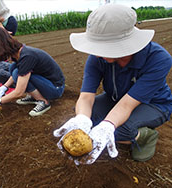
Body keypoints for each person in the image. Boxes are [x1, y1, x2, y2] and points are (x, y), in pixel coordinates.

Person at [53, 4, 172, 165]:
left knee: (117, 130)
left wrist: (108, 124)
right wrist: (82, 119)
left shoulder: (158, 59)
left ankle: (144, 136)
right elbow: (86, 97)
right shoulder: (97, 58)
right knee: (84, 115)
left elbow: (127, 105)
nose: (97, 53)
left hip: (153, 104)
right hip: (117, 99)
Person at [0, 26, 65, 117]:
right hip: (46, 82)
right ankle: (34, 96)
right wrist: (4, 87)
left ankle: (43, 101)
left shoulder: (27, 56)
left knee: (16, 73)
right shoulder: (18, 53)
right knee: (13, 69)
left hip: (55, 88)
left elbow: (19, 92)